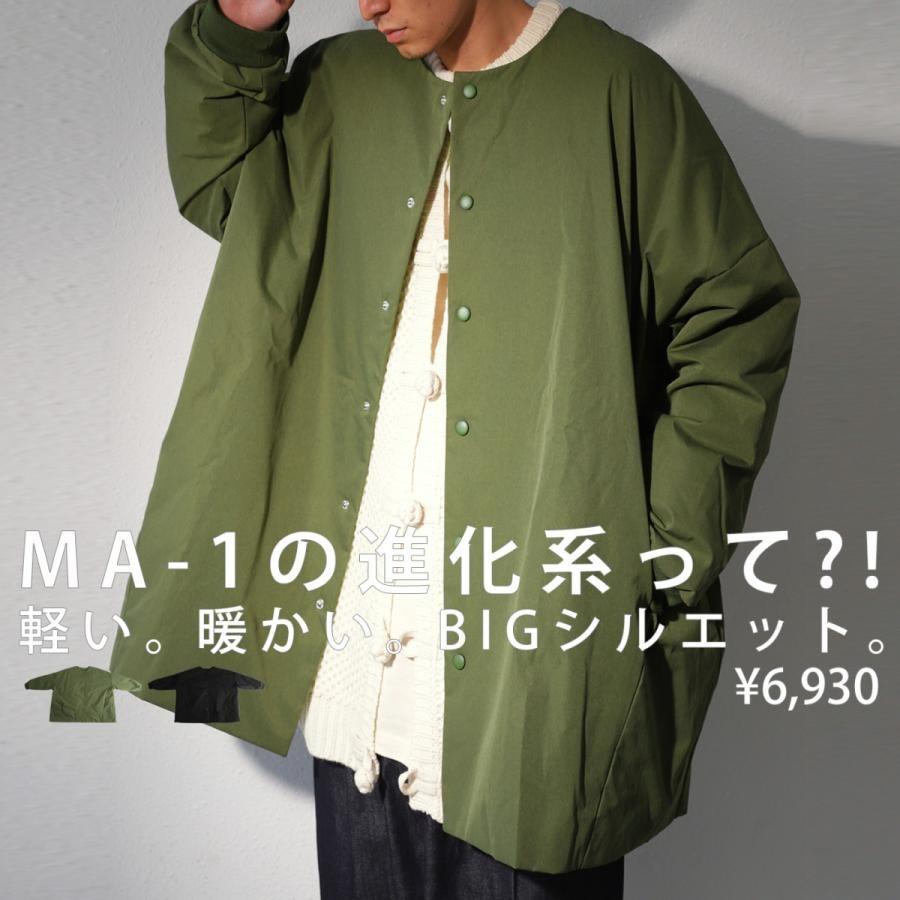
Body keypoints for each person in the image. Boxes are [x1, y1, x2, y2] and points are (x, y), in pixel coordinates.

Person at [109, 1, 801, 898]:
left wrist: (664, 543)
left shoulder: (621, 93)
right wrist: (240, 23)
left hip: (535, 683)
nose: (370, 2)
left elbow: (737, 315)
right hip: (358, 691)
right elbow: (231, 194)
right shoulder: (339, 86)